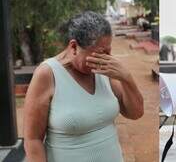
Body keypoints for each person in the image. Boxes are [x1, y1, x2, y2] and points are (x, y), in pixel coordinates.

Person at [23, 11, 144, 162]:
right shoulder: (47, 74)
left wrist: (126, 79)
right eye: (101, 53)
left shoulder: (105, 70)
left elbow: (136, 113)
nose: (107, 57)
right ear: (74, 47)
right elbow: (32, 140)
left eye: (109, 51)